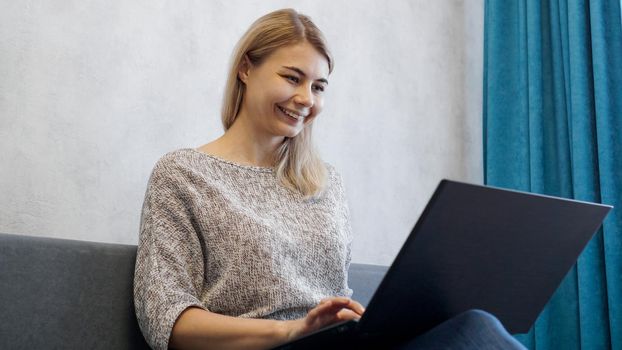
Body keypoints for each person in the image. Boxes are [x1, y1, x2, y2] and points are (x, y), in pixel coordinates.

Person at [133, 8, 526, 350]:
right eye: (292, 78)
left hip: (339, 345)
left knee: (472, 323)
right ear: (246, 68)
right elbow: (167, 321)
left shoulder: (324, 183)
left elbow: (335, 295)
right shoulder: (184, 175)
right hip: (270, 347)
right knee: (476, 330)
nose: (307, 98)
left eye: (318, 87)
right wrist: (291, 332)